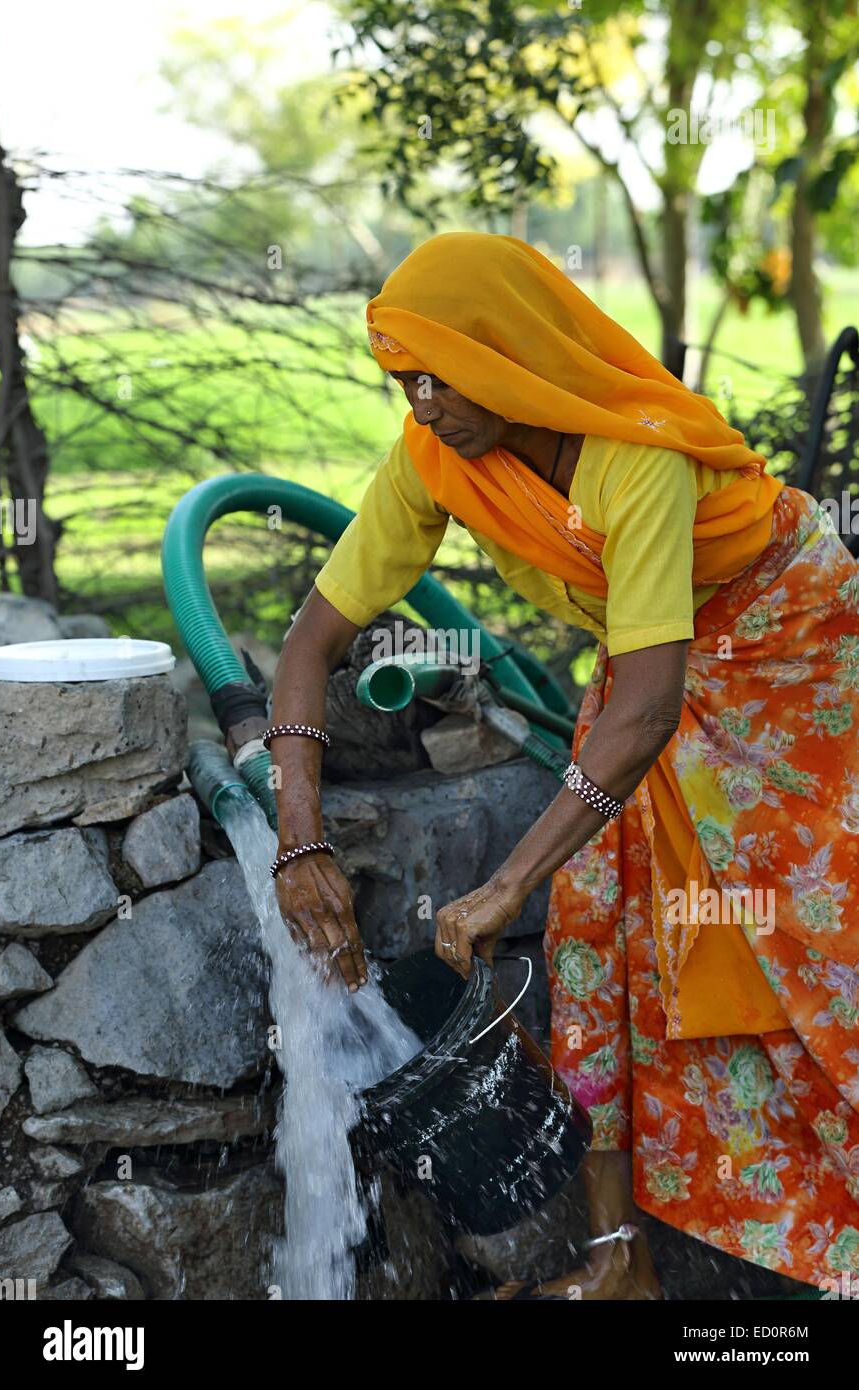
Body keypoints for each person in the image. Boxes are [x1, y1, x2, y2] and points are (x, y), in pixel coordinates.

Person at [267, 231, 859, 1300]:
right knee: (600, 920)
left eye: (441, 374)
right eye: (403, 380)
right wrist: (298, 838)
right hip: (647, 668)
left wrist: (502, 883)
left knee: (807, 940)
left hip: (787, 661)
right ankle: (616, 1261)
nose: (423, 402)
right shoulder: (435, 458)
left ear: (508, 355)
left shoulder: (635, 458)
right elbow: (311, 642)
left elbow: (640, 716)